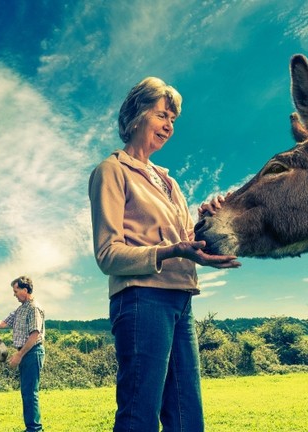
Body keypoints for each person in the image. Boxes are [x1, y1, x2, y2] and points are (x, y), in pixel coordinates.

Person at [88, 77, 241, 432]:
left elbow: (186, 239)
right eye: (161, 115)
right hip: (142, 300)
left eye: (173, 119)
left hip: (181, 301)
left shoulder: (170, 182)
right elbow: (107, 254)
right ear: (136, 116)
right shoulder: (111, 171)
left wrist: (208, 218)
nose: (169, 125)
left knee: (188, 418)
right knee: (139, 417)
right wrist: (171, 250)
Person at [0, 276, 46, 432]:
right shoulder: (20, 309)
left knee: (30, 392)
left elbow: (34, 335)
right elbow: (3, 323)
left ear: (25, 290)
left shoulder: (33, 308)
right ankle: (31, 427)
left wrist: (19, 355)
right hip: (25, 352)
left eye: (16, 291)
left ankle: (34, 429)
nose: (14, 294)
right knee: (26, 391)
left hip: (32, 352)